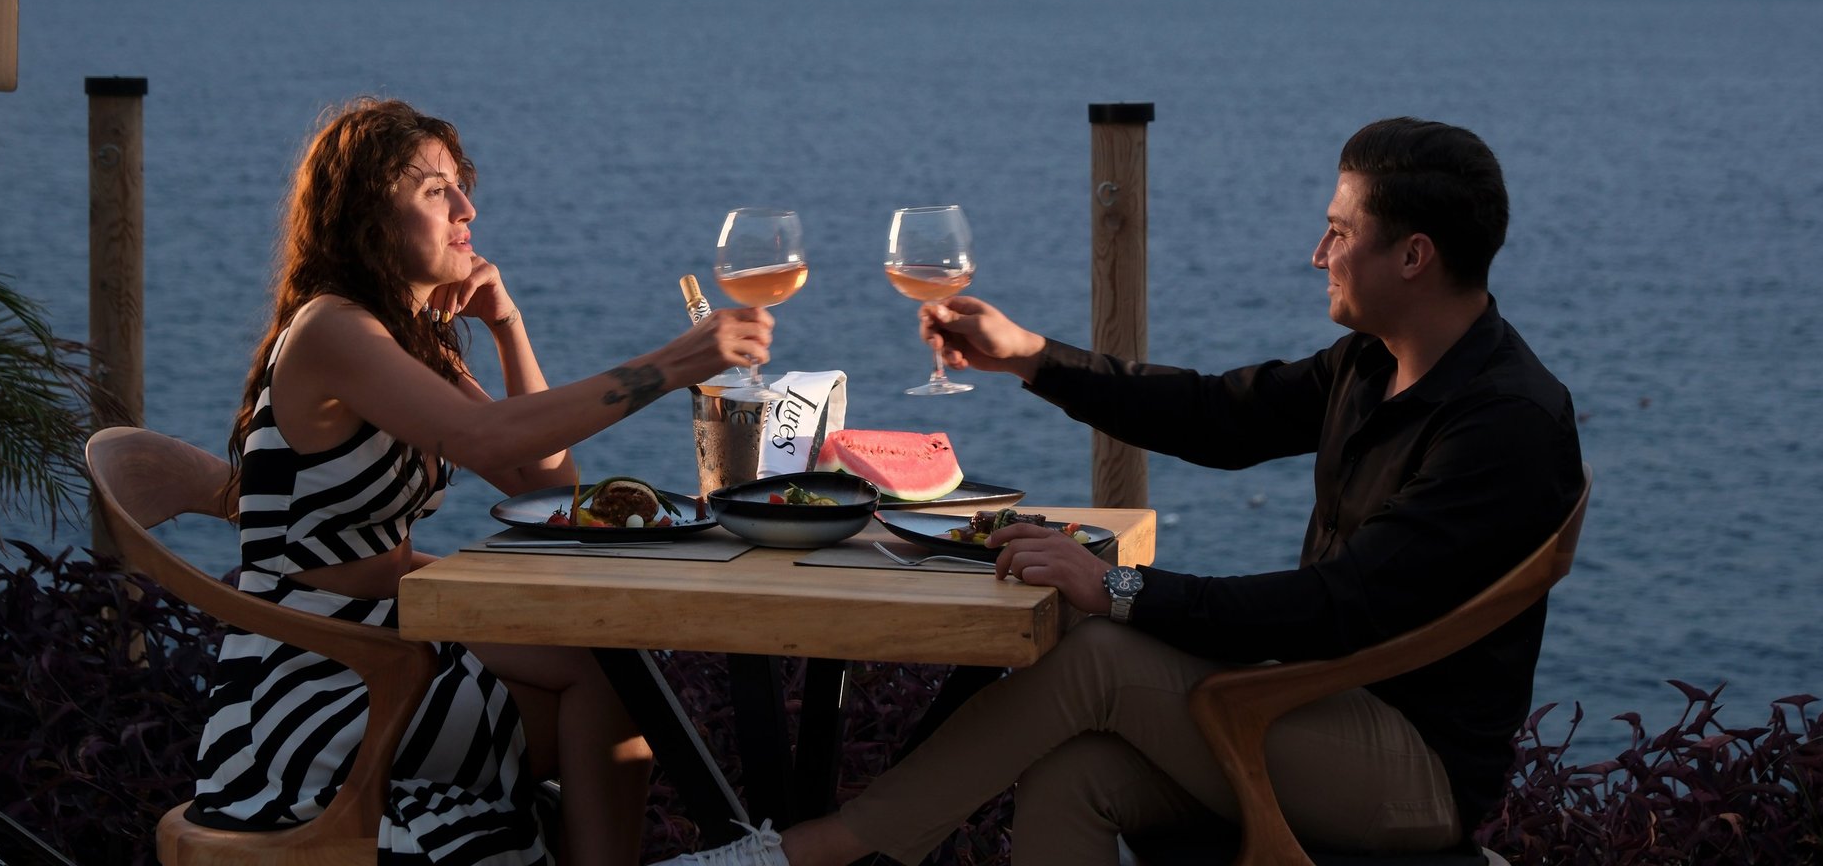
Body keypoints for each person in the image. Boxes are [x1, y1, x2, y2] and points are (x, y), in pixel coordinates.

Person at [660, 117, 1584, 866]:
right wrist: (1032, 360)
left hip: (1408, 771)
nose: (1317, 253)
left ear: (1414, 256)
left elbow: (1339, 606)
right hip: (1312, 710)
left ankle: (812, 853)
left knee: (1097, 652)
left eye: (1339, 233)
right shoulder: (1373, 364)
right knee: (1076, 773)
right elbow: (1217, 418)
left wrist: (1122, 589)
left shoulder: (1502, 424)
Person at [187, 98, 773, 866]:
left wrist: (508, 325)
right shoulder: (335, 329)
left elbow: (542, 477)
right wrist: (675, 364)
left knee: (610, 662)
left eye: (460, 185)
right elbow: (484, 437)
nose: (466, 206)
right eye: (435, 191)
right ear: (366, 217)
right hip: (312, 682)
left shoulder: (405, 338)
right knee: (611, 694)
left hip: (387, 635)